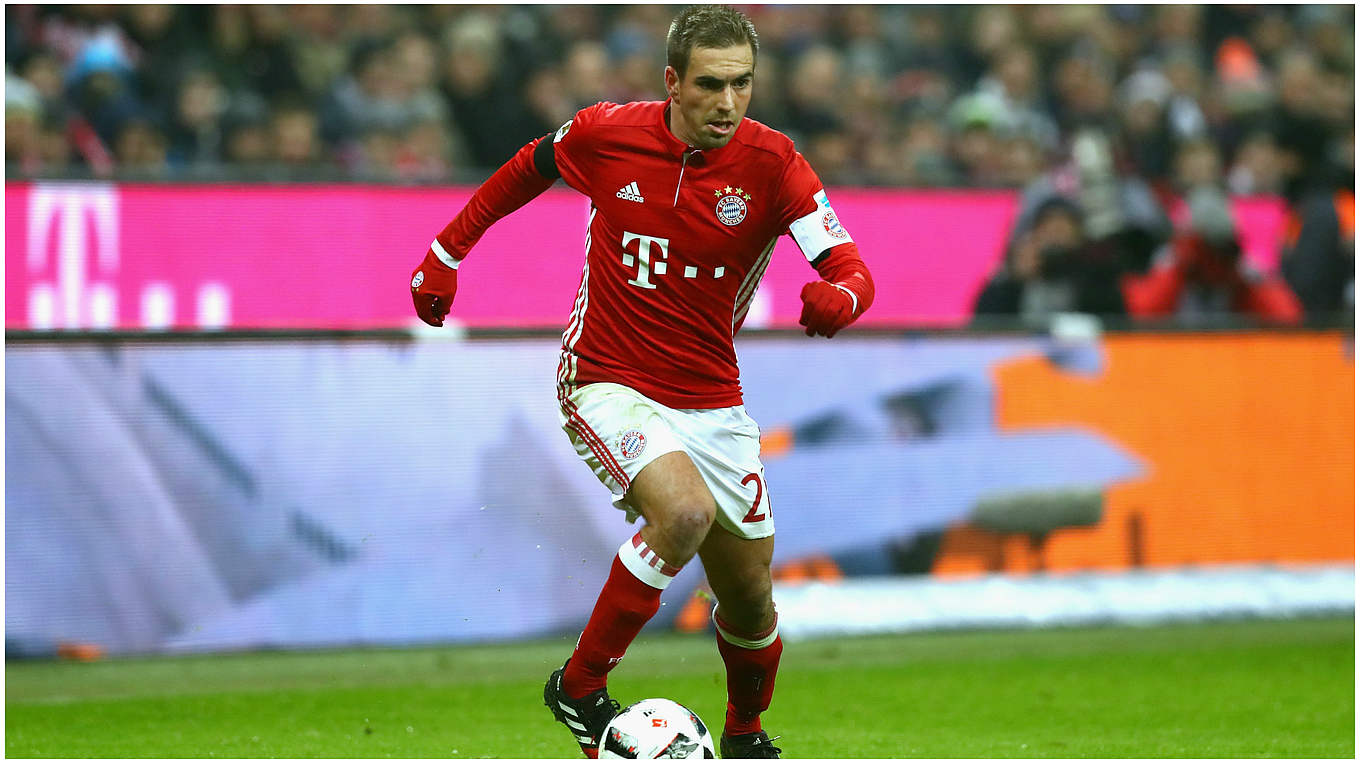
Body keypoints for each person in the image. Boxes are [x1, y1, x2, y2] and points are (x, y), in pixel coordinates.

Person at [408, 6, 874, 758]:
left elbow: (849, 266)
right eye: (711, 85)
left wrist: (841, 296)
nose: (728, 103)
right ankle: (581, 686)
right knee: (682, 513)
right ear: (672, 83)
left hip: (712, 400)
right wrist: (446, 252)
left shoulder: (776, 163)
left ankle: (745, 736)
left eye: (743, 84)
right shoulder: (606, 133)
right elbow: (526, 168)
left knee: (751, 600)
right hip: (607, 376)